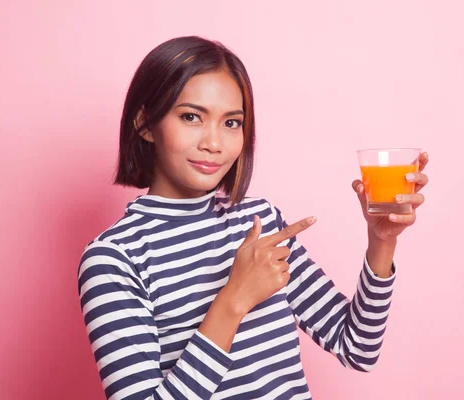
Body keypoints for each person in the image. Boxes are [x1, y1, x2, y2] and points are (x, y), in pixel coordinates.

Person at [77, 36, 429, 400]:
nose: (214, 143)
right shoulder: (113, 259)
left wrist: (382, 242)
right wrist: (234, 300)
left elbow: (357, 348)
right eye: (191, 117)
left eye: (231, 123)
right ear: (145, 123)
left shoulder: (259, 221)